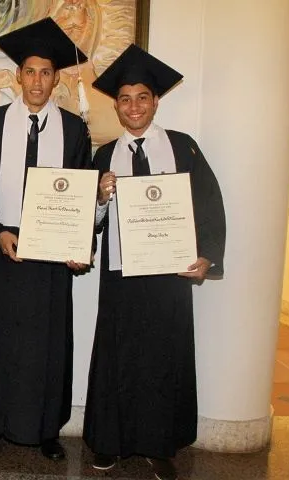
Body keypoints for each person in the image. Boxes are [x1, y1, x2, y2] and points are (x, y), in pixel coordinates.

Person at [83, 44, 226, 480]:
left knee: (163, 358)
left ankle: (158, 445)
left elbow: (210, 205)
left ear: (155, 101)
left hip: (168, 275)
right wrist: (102, 198)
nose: (134, 106)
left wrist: (207, 256)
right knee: (117, 355)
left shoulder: (183, 148)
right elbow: (91, 222)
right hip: (122, 274)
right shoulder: (105, 155)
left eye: (142, 97)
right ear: (117, 105)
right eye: (125, 99)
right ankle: (110, 442)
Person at [0, 18, 92, 460]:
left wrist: (80, 247)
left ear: (56, 78)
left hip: (52, 253)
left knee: (49, 343)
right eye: (30, 71)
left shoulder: (75, 131)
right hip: (5, 247)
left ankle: (46, 430)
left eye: (46, 72)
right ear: (18, 76)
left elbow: (81, 194)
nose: (37, 80)